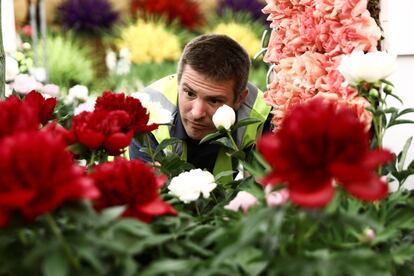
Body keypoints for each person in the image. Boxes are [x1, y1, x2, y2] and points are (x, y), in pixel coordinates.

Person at [129, 34, 272, 182]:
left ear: (240, 99)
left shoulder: (262, 116)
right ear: (179, 82)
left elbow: (268, 194)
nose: (197, 113)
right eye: (190, 93)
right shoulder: (144, 112)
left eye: (214, 100)